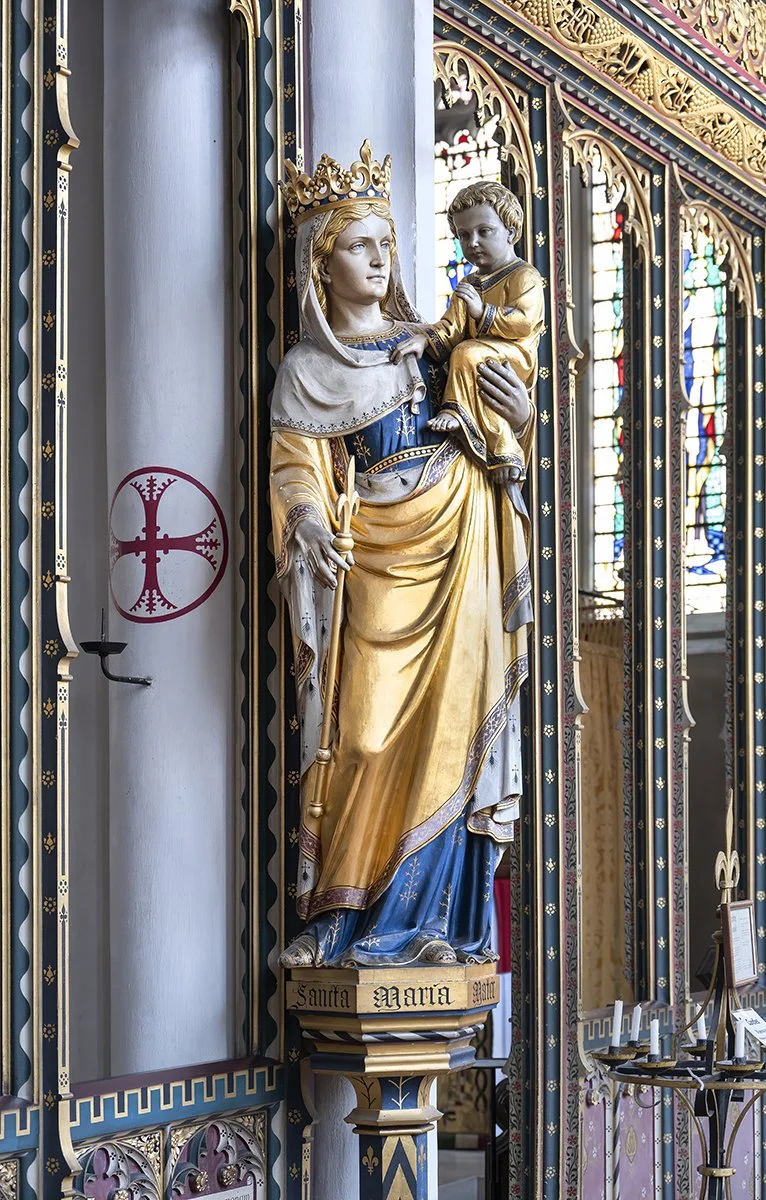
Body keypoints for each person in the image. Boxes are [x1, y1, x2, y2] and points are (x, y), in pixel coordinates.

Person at [271, 144, 536, 968]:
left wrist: (518, 420)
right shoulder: (308, 371)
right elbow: (294, 466)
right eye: (361, 244)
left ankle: (438, 930)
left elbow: (497, 417)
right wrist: (307, 518)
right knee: (363, 740)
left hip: (459, 540)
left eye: (388, 242)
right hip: (373, 559)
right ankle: (338, 921)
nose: (382, 258)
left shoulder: (428, 346)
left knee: (451, 737)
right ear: (323, 263)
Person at [393, 181, 544, 488]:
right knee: (465, 355)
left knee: (467, 353)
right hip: (480, 358)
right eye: (463, 235)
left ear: (511, 232)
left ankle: (458, 414)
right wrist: (426, 339)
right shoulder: (471, 283)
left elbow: (524, 322)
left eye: (483, 231)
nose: (472, 242)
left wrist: (483, 313)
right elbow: (451, 327)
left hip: (514, 356)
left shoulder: (524, 275)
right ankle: (502, 449)